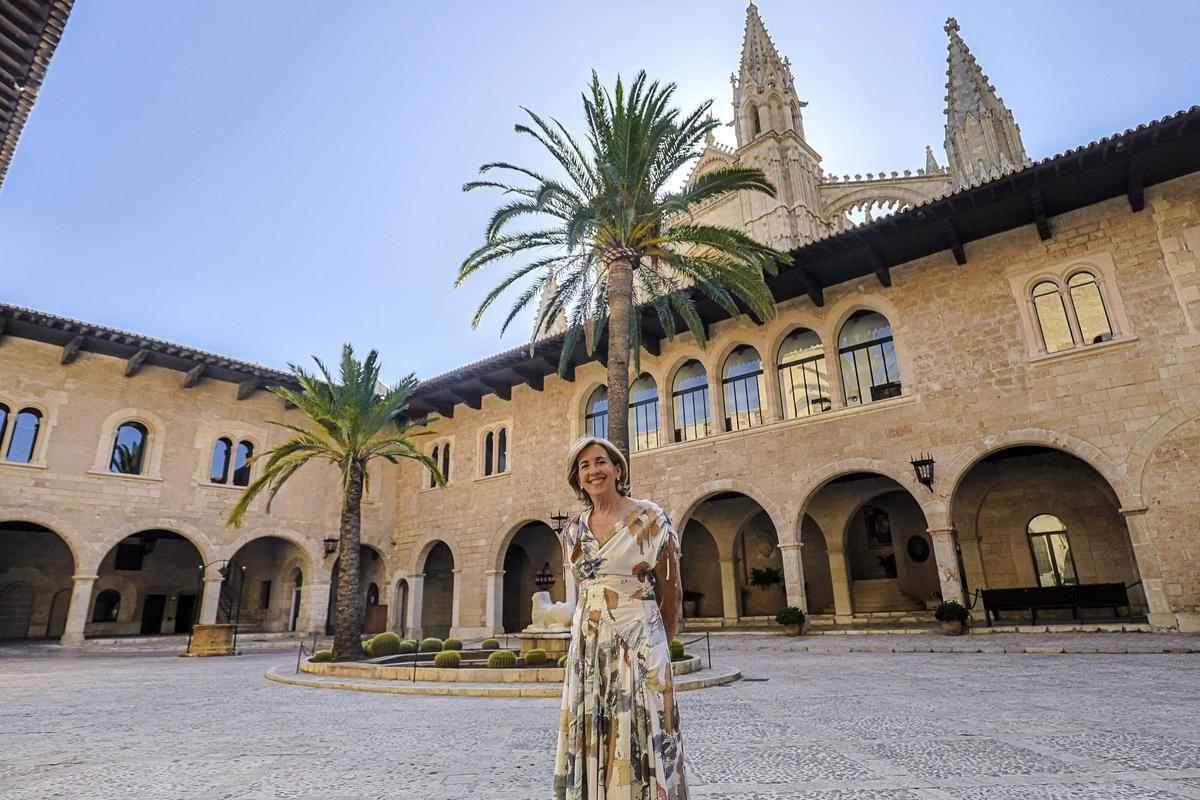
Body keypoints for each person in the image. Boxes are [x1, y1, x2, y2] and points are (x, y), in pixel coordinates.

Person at [553, 435, 688, 799]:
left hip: (641, 638)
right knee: (597, 728)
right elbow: (582, 591)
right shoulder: (573, 531)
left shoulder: (649, 517)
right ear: (577, 478)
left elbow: (671, 590)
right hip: (588, 646)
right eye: (584, 466)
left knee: (645, 726)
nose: (593, 470)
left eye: (599, 462)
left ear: (617, 469)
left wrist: (660, 647)